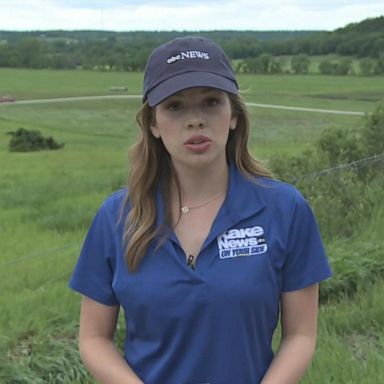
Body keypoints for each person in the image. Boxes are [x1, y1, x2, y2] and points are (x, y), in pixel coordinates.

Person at [69, 36, 332, 384]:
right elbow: (93, 338)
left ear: (234, 115)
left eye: (210, 102)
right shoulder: (117, 217)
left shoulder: (284, 209)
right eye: (175, 106)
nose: (195, 121)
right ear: (153, 124)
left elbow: (300, 335)